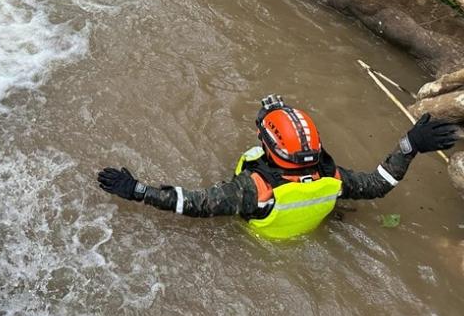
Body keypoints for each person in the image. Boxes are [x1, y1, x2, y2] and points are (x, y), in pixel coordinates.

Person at [97, 94, 460, 239]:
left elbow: (189, 204)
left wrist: (137, 190)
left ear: (268, 148)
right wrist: (409, 145)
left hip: (262, 241)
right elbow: (380, 183)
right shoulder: (332, 176)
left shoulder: (252, 191)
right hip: (308, 225)